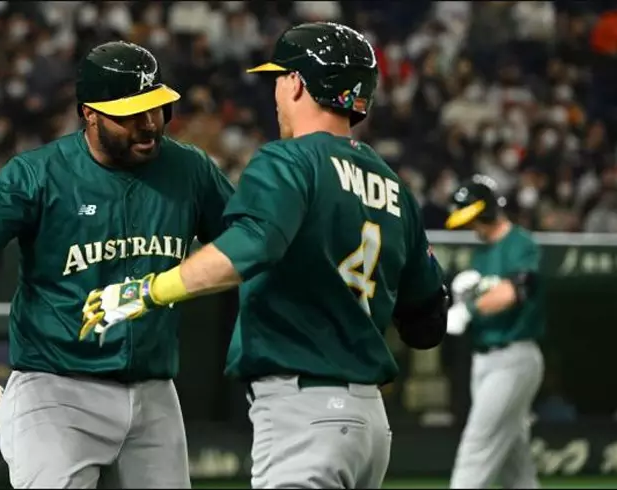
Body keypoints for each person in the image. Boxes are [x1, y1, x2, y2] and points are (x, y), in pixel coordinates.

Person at [79, 22, 448, 489]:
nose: (275, 90)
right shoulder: (395, 187)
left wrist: (149, 290)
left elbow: (247, 248)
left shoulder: (288, 161)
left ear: (296, 83)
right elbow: (427, 325)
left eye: (279, 78)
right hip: (370, 423)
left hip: (303, 411)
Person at [0, 41, 234, 489]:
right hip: (58, 387)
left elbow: (244, 242)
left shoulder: (189, 169)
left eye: (156, 108)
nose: (149, 126)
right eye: (131, 114)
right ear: (89, 114)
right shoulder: (36, 173)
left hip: (154, 389)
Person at [444, 174, 545, 489]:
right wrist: (465, 299)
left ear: (486, 210)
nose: (471, 227)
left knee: (478, 443)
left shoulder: (521, 244)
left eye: (473, 218)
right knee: (515, 461)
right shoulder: (482, 253)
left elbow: (514, 292)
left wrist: (468, 309)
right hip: (484, 359)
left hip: (514, 356)